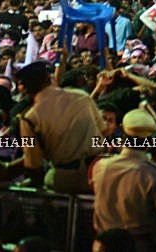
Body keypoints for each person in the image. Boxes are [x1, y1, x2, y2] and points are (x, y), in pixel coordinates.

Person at [90, 109, 156, 251]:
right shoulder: (154, 175)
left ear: (122, 131)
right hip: (137, 246)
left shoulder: (100, 166)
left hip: (102, 245)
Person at [18, 60, 105, 194]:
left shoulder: (30, 117)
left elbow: (33, 163)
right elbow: (103, 130)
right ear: (50, 78)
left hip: (64, 178)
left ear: (24, 88)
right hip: (97, 172)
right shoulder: (82, 97)